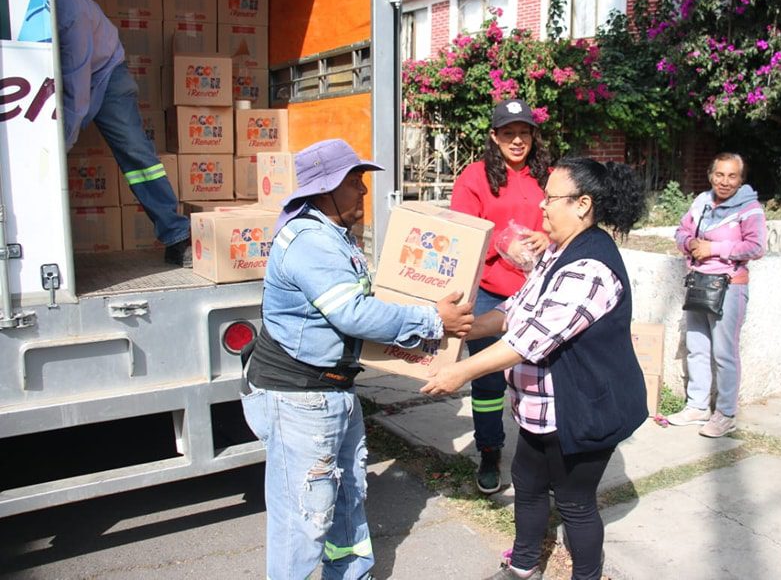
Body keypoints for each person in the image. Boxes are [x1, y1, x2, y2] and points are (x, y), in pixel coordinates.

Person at [240, 139, 474, 580]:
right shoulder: (311, 241)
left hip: (330, 391)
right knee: (304, 520)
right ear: (325, 188)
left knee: (346, 496)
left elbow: (360, 302)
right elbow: (354, 313)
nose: (363, 191)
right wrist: (432, 319)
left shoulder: (331, 233)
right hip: (300, 398)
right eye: (353, 181)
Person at [422, 157, 649, 580]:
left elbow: (529, 339)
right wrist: (460, 329)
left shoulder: (590, 268)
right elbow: (515, 312)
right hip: (544, 411)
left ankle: (587, 576)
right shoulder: (558, 252)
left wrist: (460, 372)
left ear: (582, 204)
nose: (541, 208)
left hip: (583, 410)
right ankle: (524, 565)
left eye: (550, 199)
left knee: (574, 502)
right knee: (526, 480)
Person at [449, 98, 551, 494]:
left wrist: (547, 236)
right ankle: (490, 450)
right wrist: (503, 243)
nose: (517, 140)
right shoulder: (474, 177)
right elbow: (463, 232)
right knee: (489, 379)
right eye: (508, 133)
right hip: (493, 294)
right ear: (494, 137)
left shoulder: (549, 175)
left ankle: (543, 453)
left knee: (544, 377)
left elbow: (567, 222)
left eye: (524, 132)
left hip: (541, 291)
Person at [54, 0, 191, 266]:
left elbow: (76, 94)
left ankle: (177, 234)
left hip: (105, 72)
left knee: (136, 152)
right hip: (61, 73)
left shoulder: (68, 13)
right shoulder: (20, 1)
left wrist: (59, 146)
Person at [666, 152, 766, 437]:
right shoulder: (701, 202)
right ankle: (697, 406)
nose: (724, 181)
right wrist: (690, 243)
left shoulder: (750, 209)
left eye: (732, 176)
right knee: (696, 345)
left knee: (724, 353)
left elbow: (757, 247)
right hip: (699, 281)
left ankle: (725, 413)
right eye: (719, 175)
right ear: (711, 175)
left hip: (729, 286)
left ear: (741, 179)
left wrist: (714, 249)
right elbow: (681, 232)